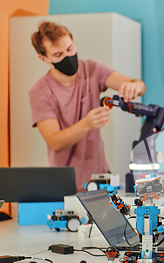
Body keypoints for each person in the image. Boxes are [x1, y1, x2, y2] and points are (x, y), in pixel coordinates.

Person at [29, 21, 146, 192]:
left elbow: (138, 85)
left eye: (70, 49)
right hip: (66, 184)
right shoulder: (40, 91)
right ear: (43, 58)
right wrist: (87, 123)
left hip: (101, 178)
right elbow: (55, 142)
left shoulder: (92, 69)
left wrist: (134, 87)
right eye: (58, 54)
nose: (67, 57)